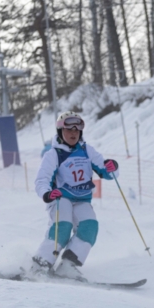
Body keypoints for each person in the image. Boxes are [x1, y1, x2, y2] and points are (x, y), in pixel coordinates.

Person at [32, 111, 119, 278]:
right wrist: (47, 193)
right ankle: (40, 264)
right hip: (61, 197)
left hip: (82, 199)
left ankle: (68, 265)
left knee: (90, 227)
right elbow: (42, 179)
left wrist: (112, 167)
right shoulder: (54, 154)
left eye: (76, 130)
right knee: (62, 227)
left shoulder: (87, 151)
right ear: (60, 132)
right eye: (69, 130)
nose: (73, 133)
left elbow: (105, 169)